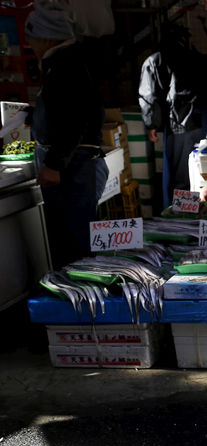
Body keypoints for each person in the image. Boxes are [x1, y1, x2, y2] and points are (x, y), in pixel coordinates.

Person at [25, 3, 109, 270]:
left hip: (74, 167)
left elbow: (74, 120)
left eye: (32, 37)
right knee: (72, 239)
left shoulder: (66, 64)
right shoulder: (64, 61)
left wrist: (54, 164)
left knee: (74, 242)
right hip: (75, 164)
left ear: (47, 37)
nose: (30, 43)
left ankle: (80, 301)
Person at [138, 23, 207, 211]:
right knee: (200, 175)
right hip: (202, 124)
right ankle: (198, 215)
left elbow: (149, 96)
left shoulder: (155, 61)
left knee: (180, 176)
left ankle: (181, 218)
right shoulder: (198, 59)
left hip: (178, 128)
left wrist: (152, 124)